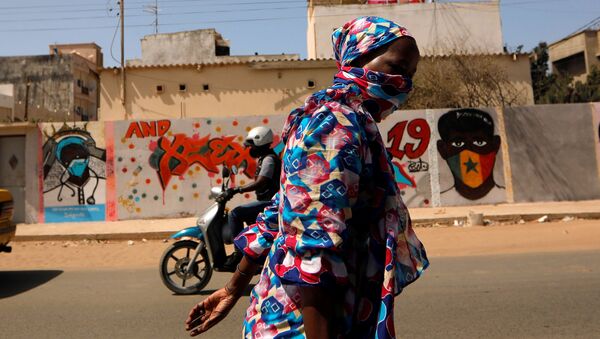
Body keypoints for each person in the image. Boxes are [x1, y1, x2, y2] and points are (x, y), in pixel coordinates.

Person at [185, 16, 429, 338]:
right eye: (396, 67)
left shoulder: (347, 118)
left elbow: (281, 213)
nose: (403, 82)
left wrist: (233, 288)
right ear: (357, 59)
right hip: (303, 324)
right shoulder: (335, 124)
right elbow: (314, 245)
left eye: (409, 74)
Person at [220, 126, 281, 271]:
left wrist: (237, 189)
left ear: (260, 144)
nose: (250, 150)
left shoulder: (269, 160)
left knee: (235, 214)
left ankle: (238, 254)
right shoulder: (265, 158)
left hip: (269, 203)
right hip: (266, 201)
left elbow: (261, 182)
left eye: (252, 146)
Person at [437, 108, 505, 202]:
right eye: (458, 144)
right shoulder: (443, 200)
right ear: (442, 149)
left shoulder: (504, 196)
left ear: (495, 145)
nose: (469, 151)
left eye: (479, 142)